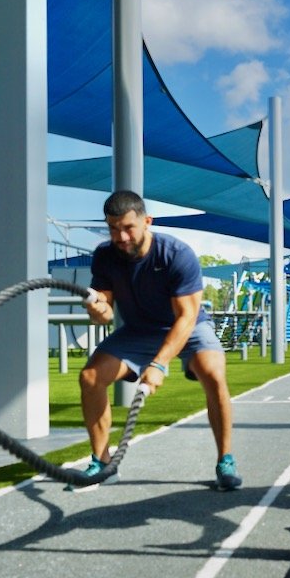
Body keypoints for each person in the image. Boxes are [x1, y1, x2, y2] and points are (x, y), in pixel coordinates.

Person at [69, 190, 242, 491]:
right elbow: (106, 314)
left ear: (147, 221)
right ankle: (103, 462)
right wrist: (96, 308)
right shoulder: (105, 256)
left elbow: (186, 317)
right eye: (113, 228)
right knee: (90, 377)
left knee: (214, 373)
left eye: (127, 227)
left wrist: (159, 364)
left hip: (187, 327)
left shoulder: (177, 254)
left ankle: (225, 460)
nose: (120, 236)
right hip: (138, 331)